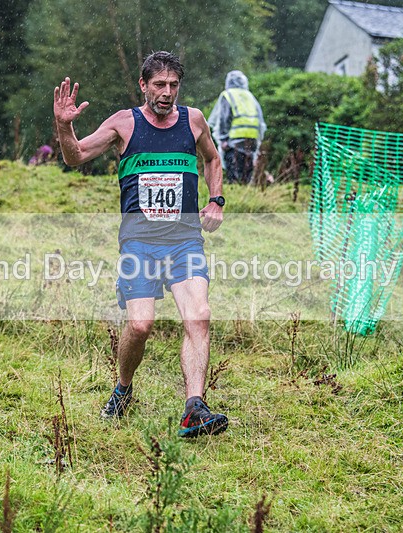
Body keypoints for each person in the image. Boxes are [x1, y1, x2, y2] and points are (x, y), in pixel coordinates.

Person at [53, 51, 229, 438]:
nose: (167, 93)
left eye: (173, 85)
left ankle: (194, 408)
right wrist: (64, 127)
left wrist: (216, 200)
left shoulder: (194, 120)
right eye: (159, 85)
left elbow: (213, 160)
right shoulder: (123, 123)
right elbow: (76, 156)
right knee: (140, 324)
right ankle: (124, 387)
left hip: (184, 242)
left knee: (199, 315)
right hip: (139, 244)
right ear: (143, 85)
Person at [207, 70, 266, 184]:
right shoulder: (250, 96)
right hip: (252, 140)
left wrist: (223, 139)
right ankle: (245, 195)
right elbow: (260, 120)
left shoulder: (228, 95)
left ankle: (234, 194)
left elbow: (224, 117)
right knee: (247, 173)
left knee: (233, 173)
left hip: (234, 141)